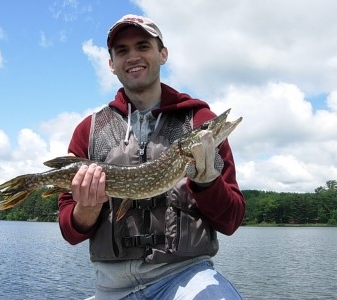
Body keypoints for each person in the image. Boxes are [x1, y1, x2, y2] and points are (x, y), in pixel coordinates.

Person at [58, 14, 245, 300]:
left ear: (163, 54)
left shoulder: (199, 122)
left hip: (185, 276)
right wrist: (87, 208)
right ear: (111, 64)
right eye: (122, 50)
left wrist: (208, 183)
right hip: (112, 286)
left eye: (143, 46)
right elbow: (71, 232)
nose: (133, 56)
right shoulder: (89, 130)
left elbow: (231, 221)